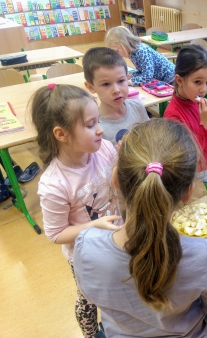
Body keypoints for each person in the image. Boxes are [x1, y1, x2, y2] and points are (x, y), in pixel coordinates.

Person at [73, 119, 207, 337]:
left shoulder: (86, 247)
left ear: (116, 180)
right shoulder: (205, 256)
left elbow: (91, 296)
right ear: (189, 192)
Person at [31, 84, 122, 338]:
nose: (101, 130)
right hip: (85, 253)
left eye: (98, 121)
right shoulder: (54, 185)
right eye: (91, 124)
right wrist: (95, 225)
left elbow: (116, 179)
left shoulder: (101, 148)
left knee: (114, 286)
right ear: (61, 134)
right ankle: (91, 334)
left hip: (114, 239)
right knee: (88, 298)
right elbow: (56, 234)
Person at [164, 45, 207, 192]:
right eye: (197, 82)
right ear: (179, 80)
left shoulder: (197, 102)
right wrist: (204, 122)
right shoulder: (173, 115)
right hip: (189, 177)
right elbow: (190, 156)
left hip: (206, 169)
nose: (204, 89)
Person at [83, 47, 149, 146]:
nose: (116, 90)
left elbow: (150, 137)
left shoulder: (137, 107)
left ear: (127, 78)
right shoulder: (95, 126)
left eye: (121, 81)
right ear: (91, 87)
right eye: (106, 84)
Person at [105, 26, 175, 86]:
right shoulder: (131, 53)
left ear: (125, 44)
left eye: (117, 50)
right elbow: (143, 71)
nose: (117, 54)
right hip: (162, 79)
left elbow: (147, 76)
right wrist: (132, 75)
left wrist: (130, 82)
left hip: (171, 79)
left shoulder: (141, 51)